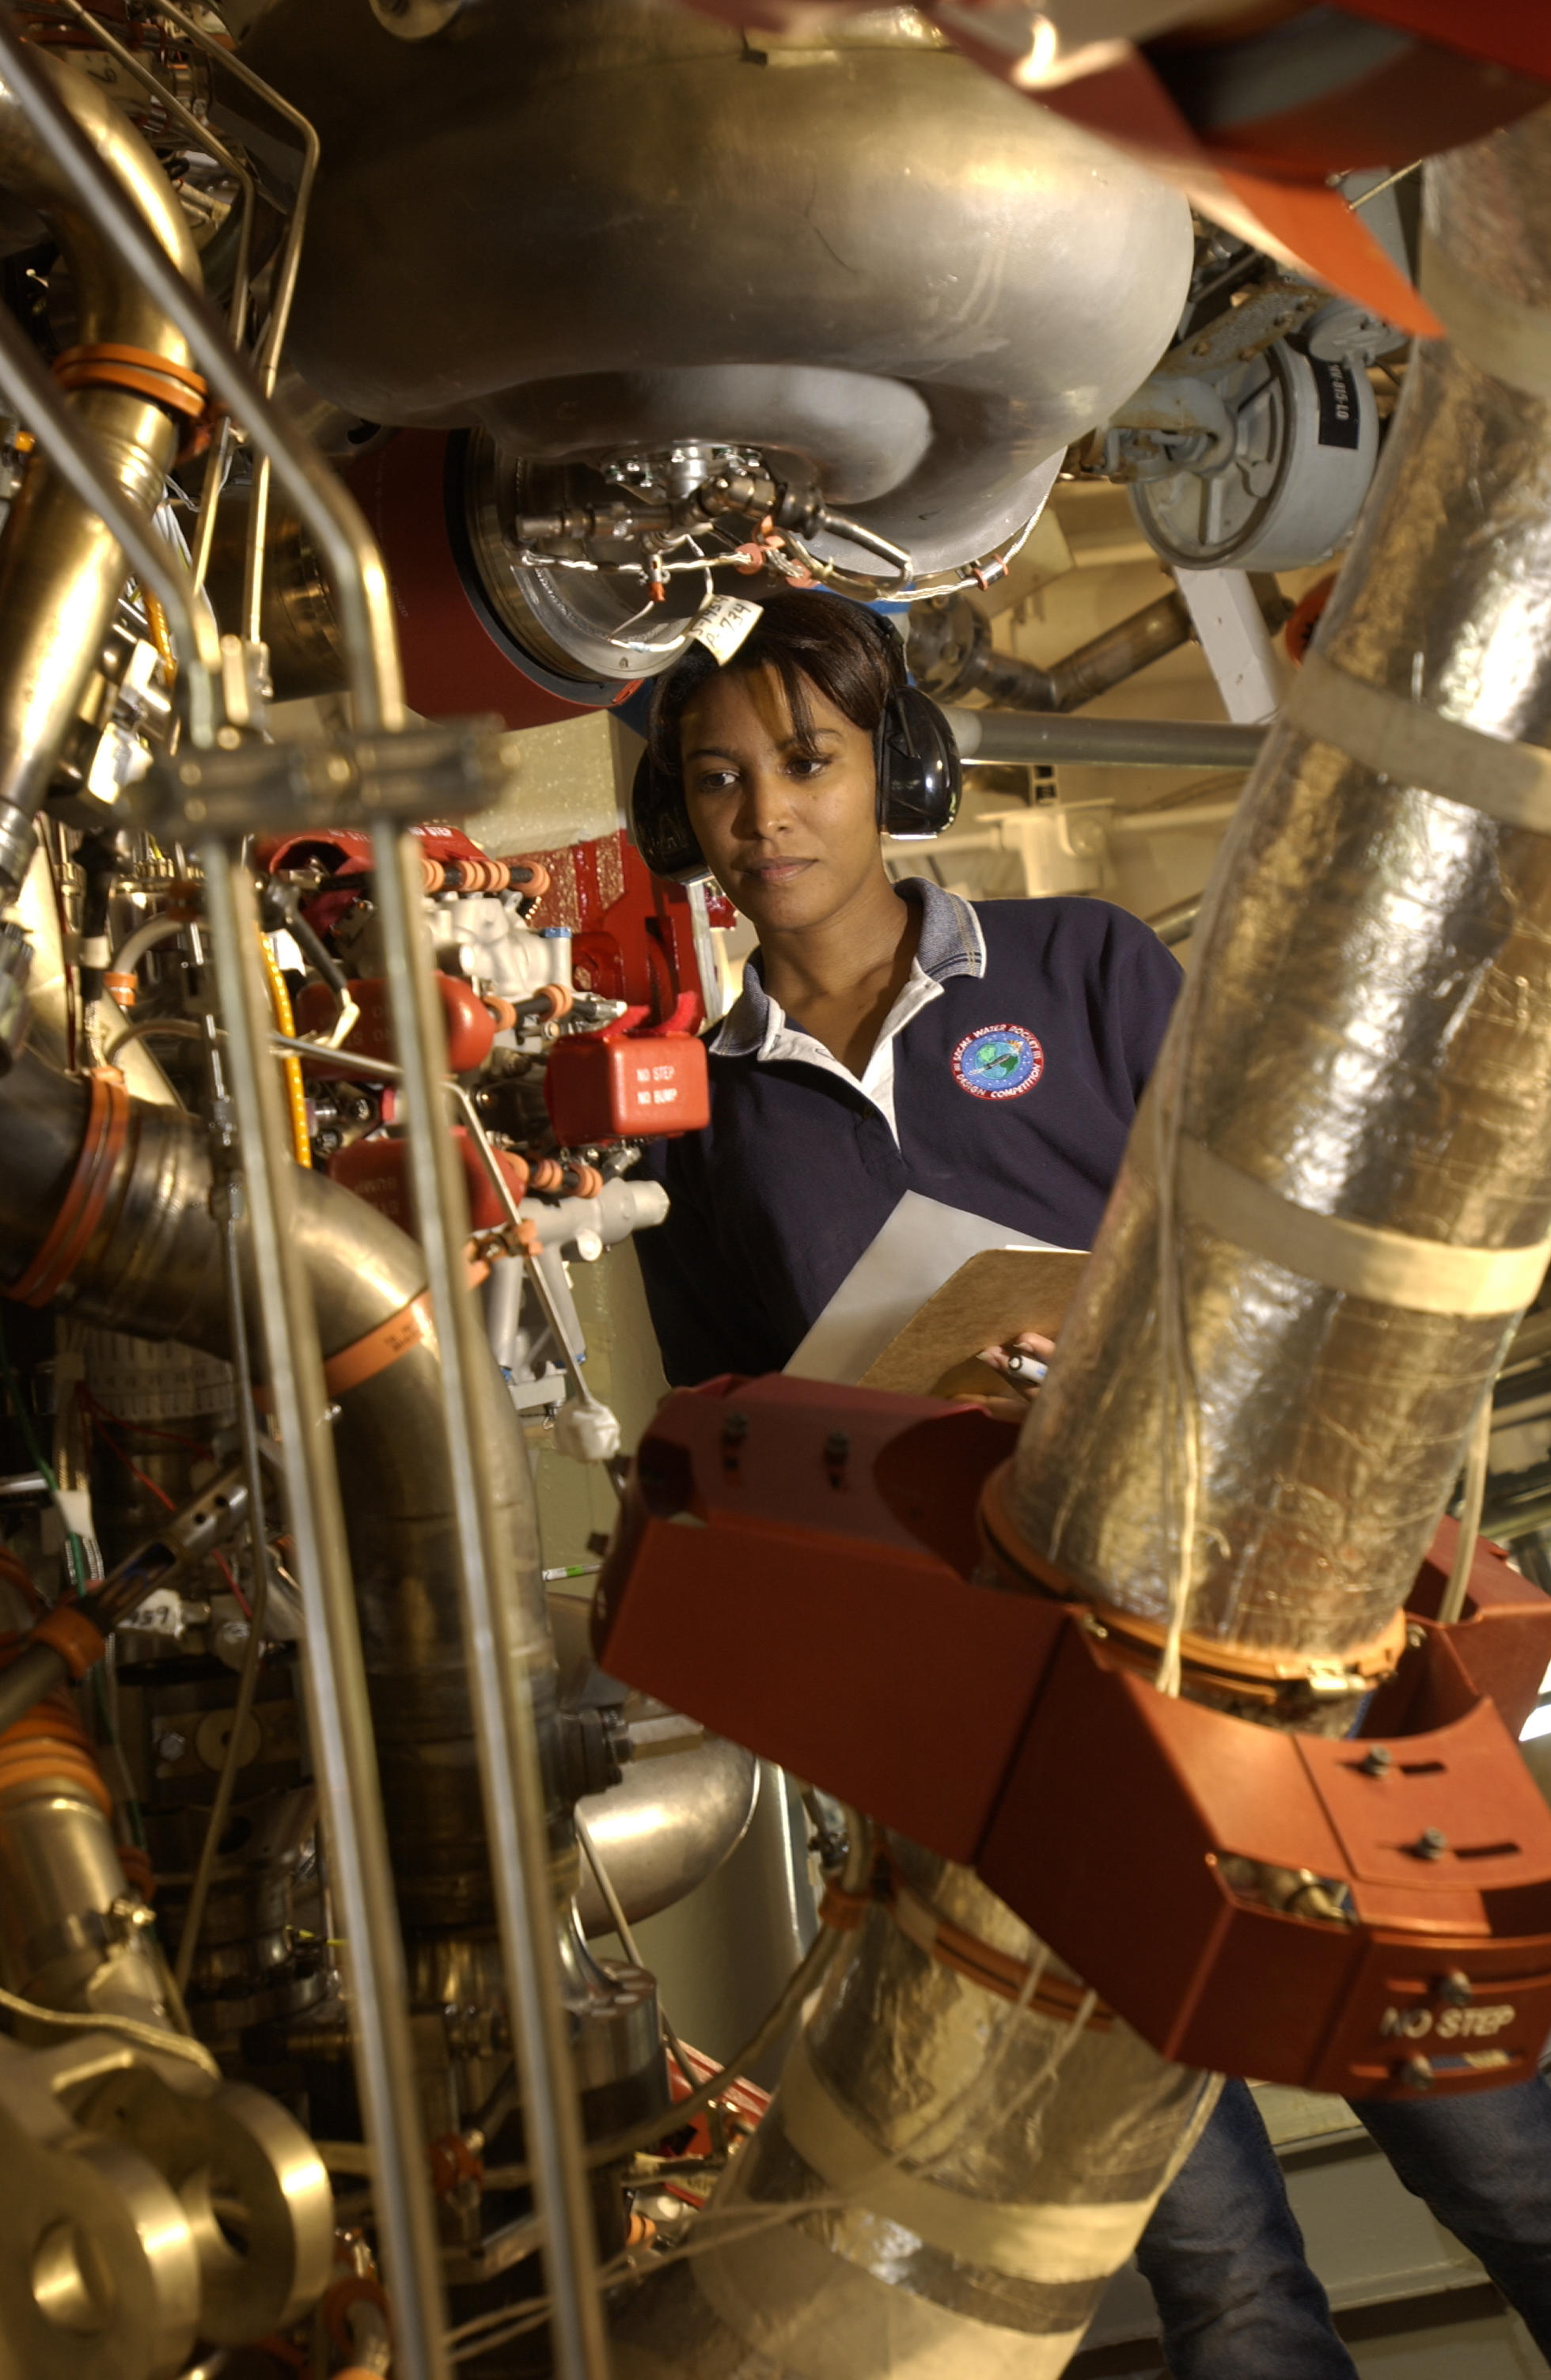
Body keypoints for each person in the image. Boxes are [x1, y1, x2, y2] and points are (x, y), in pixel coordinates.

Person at [628, 590, 1551, 2377]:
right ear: (678, 811)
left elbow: (1266, 1234)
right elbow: (731, 1431)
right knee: (1217, 2272)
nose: (767, 816)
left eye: (808, 762)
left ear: (891, 767)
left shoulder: (1083, 968)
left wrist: (1092, 1330)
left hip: (1247, 1667)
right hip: (1001, 1735)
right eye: (720, 779)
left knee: (1505, 2162)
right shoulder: (703, 1118)